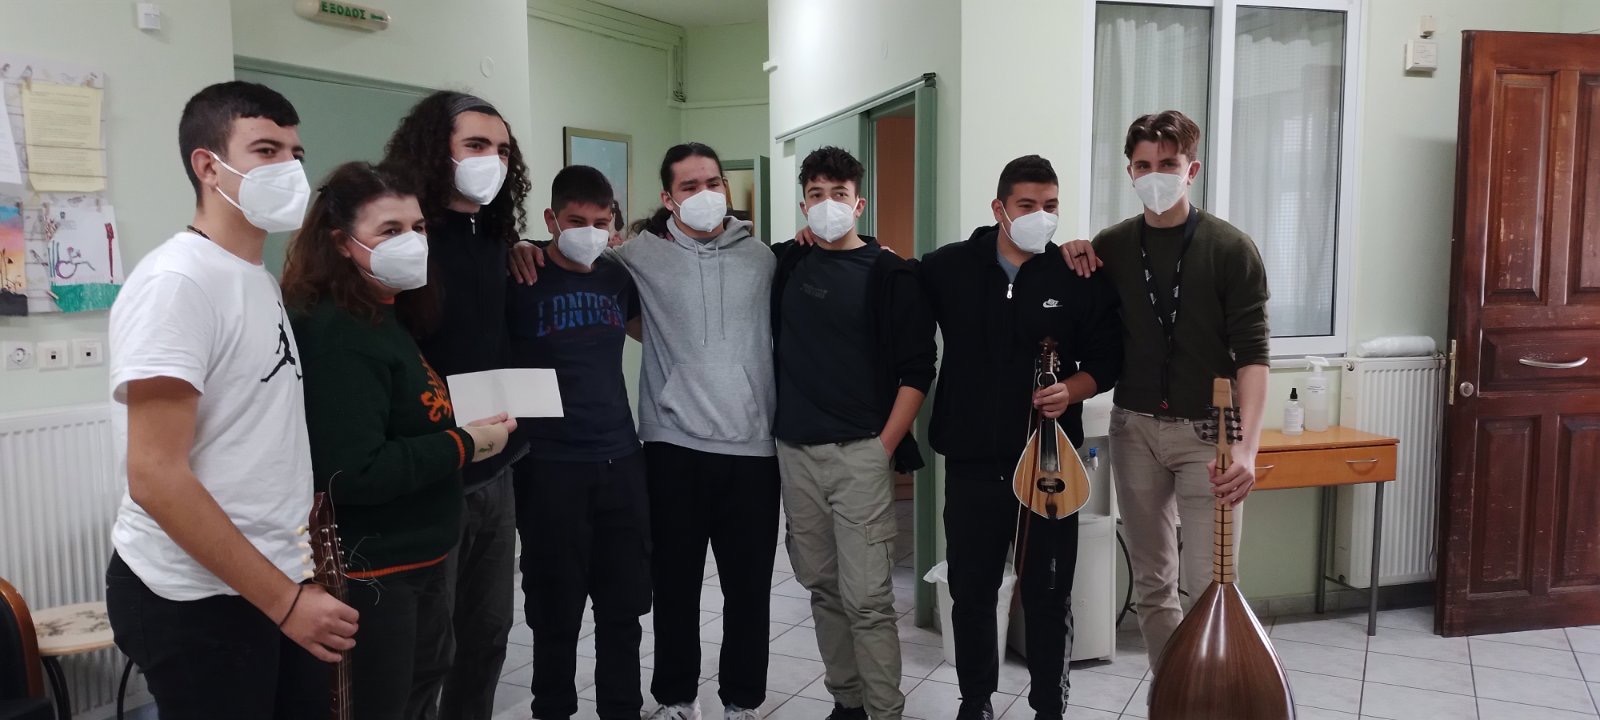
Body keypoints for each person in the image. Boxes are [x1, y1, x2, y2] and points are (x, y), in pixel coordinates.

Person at [104, 81, 358, 719]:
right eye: (266, 150)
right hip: (196, 595)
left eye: (296, 154)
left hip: (267, 579)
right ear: (208, 166)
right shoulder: (177, 282)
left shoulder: (255, 278)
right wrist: (286, 602)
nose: (289, 169)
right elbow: (155, 476)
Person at [512, 143, 781, 720]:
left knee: (748, 588)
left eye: (713, 182)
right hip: (669, 445)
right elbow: (569, 248)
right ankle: (678, 697)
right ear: (668, 197)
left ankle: (741, 701)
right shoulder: (634, 259)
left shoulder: (764, 258)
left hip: (752, 446)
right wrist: (521, 246)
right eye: (689, 186)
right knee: (672, 584)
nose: (705, 194)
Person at [282, 162, 518, 720]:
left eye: (417, 228)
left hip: (420, 559)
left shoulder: (386, 315)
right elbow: (354, 470)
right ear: (341, 243)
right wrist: (467, 444)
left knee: (420, 692)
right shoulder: (337, 332)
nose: (412, 242)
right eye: (390, 230)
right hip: (376, 573)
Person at [1060, 110, 1270, 670]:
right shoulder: (1112, 246)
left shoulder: (1230, 248)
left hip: (1210, 436)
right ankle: (1172, 694)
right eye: (1143, 165)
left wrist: (1247, 448)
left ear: (1191, 170)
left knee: (1211, 588)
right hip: (1134, 432)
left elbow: (1254, 357)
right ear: (1129, 172)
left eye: (1168, 164)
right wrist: (1069, 252)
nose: (1155, 175)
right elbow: (1083, 315)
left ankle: (1208, 698)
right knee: (1153, 584)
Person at [918, 155, 1122, 720]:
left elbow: (1107, 360)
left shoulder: (1076, 274)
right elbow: (892, 283)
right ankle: (975, 701)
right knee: (972, 590)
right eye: (1027, 205)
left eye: (1050, 205)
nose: (1040, 216)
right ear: (999, 208)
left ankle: (1049, 704)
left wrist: (1072, 389)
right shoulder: (950, 267)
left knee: (1049, 592)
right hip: (972, 459)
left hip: (1050, 461)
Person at [771, 146, 936, 720]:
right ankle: (847, 702)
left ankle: (884, 710)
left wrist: (883, 446)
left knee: (867, 598)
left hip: (860, 453)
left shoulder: (891, 274)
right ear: (803, 204)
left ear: (858, 203)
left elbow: (918, 371)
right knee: (822, 588)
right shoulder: (787, 263)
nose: (827, 205)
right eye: (816, 195)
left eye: (838, 194)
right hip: (795, 452)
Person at [383, 90, 533, 720]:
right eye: (475, 145)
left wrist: (522, 245)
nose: (490, 160)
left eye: (501, 149)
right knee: (426, 651)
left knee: (489, 634)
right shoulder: (404, 241)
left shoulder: (496, 238)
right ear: (434, 150)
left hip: (496, 468)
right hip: (431, 472)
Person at [507, 165, 650, 720]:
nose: (589, 232)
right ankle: (552, 709)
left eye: (600, 222)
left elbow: (656, 329)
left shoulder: (616, 277)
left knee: (623, 609)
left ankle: (622, 710)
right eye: (575, 221)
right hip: (548, 465)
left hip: (621, 458)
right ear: (551, 219)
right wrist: (514, 247)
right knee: (554, 610)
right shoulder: (520, 275)